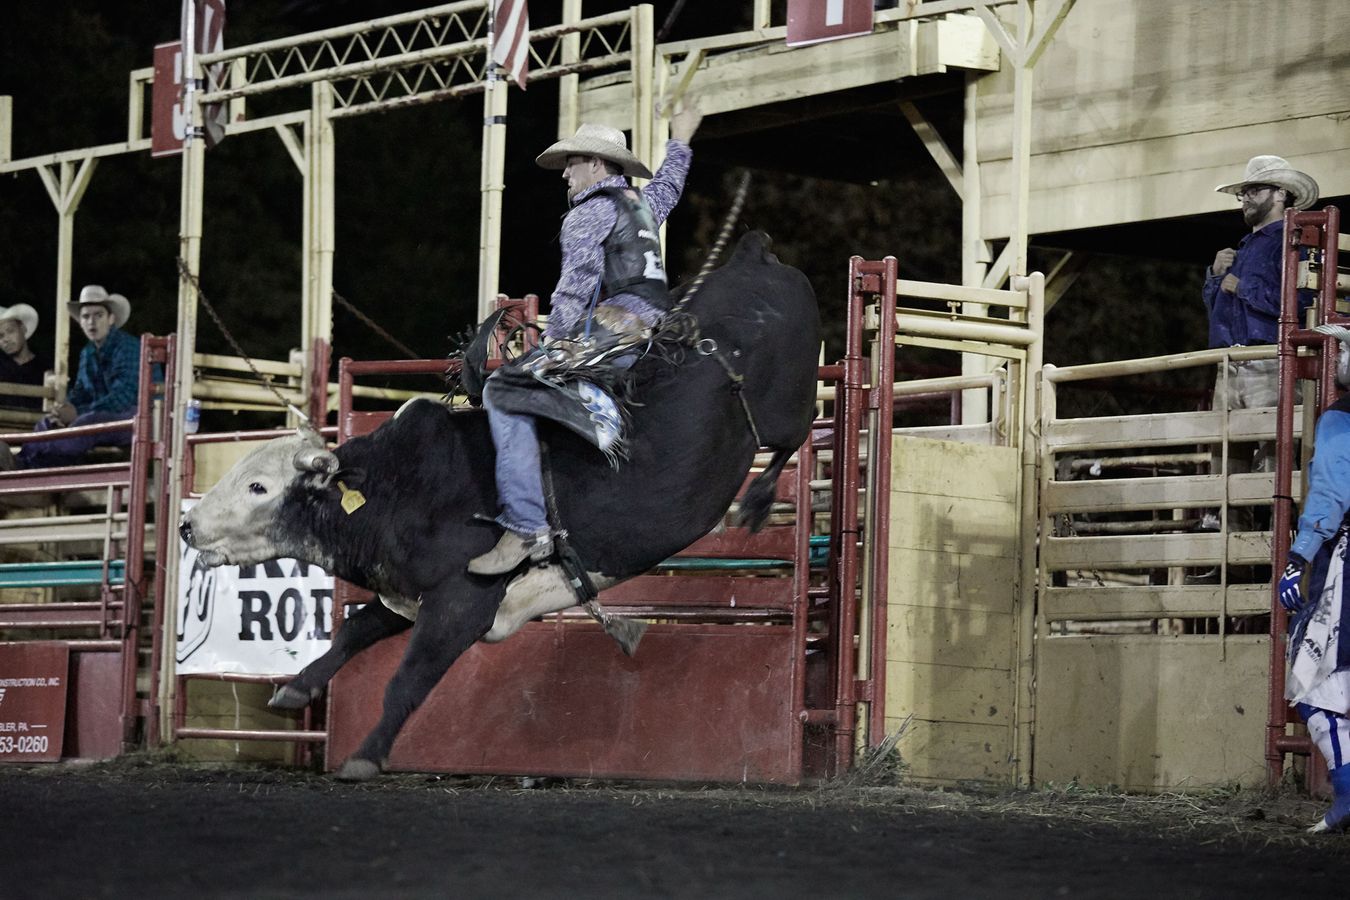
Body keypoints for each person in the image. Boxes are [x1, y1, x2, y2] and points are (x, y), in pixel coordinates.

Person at [468, 101, 703, 575]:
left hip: (616, 331)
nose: (565, 175)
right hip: (656, 323)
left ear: (596, 165)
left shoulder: (587, 214)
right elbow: (669, 187)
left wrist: (552, 347)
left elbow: (574, 287)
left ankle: (525, 526)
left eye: (572, 163)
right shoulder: (638, 203)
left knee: (503, 390)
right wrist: (682, 137)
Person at [1189, 156, 1319, 583]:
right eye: (1244, 192)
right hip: (1231, 362)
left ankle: (1270, 558)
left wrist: (1240, 286)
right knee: (1227, 459)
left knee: (1270, 456)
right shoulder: (1245, 248)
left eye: (1254, 190)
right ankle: (1236, 558)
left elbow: (1300, 304)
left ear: (1280, 193)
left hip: (1267, 360)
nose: (1245, 198)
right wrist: (1215, 276)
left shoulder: (1295, 240)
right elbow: (1218, 307)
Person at [1278, 322, 1350, 834]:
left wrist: (1299, 556)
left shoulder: (1341, 421)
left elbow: (1330, 491)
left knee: (1316, 673)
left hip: (1345, 560)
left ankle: (1348, 792)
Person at [1, 285, 142, 470]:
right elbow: (81, 390)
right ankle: (21, 463)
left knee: (87, 423)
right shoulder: (88, 353)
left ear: (111, 319)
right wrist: (65, 408)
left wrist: (77, 412)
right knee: (48, 422)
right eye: (85, 316)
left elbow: (123, 396)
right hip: (104, 416)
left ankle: (35, 468)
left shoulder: (128, 347)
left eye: (98, 315)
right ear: (81, 322)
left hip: (136, 417)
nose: (91, 322)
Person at [0, 302, 51, 411]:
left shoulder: (45, 368)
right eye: (0, 336)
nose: (5, 339)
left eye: (10, 331)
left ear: (23, 328)